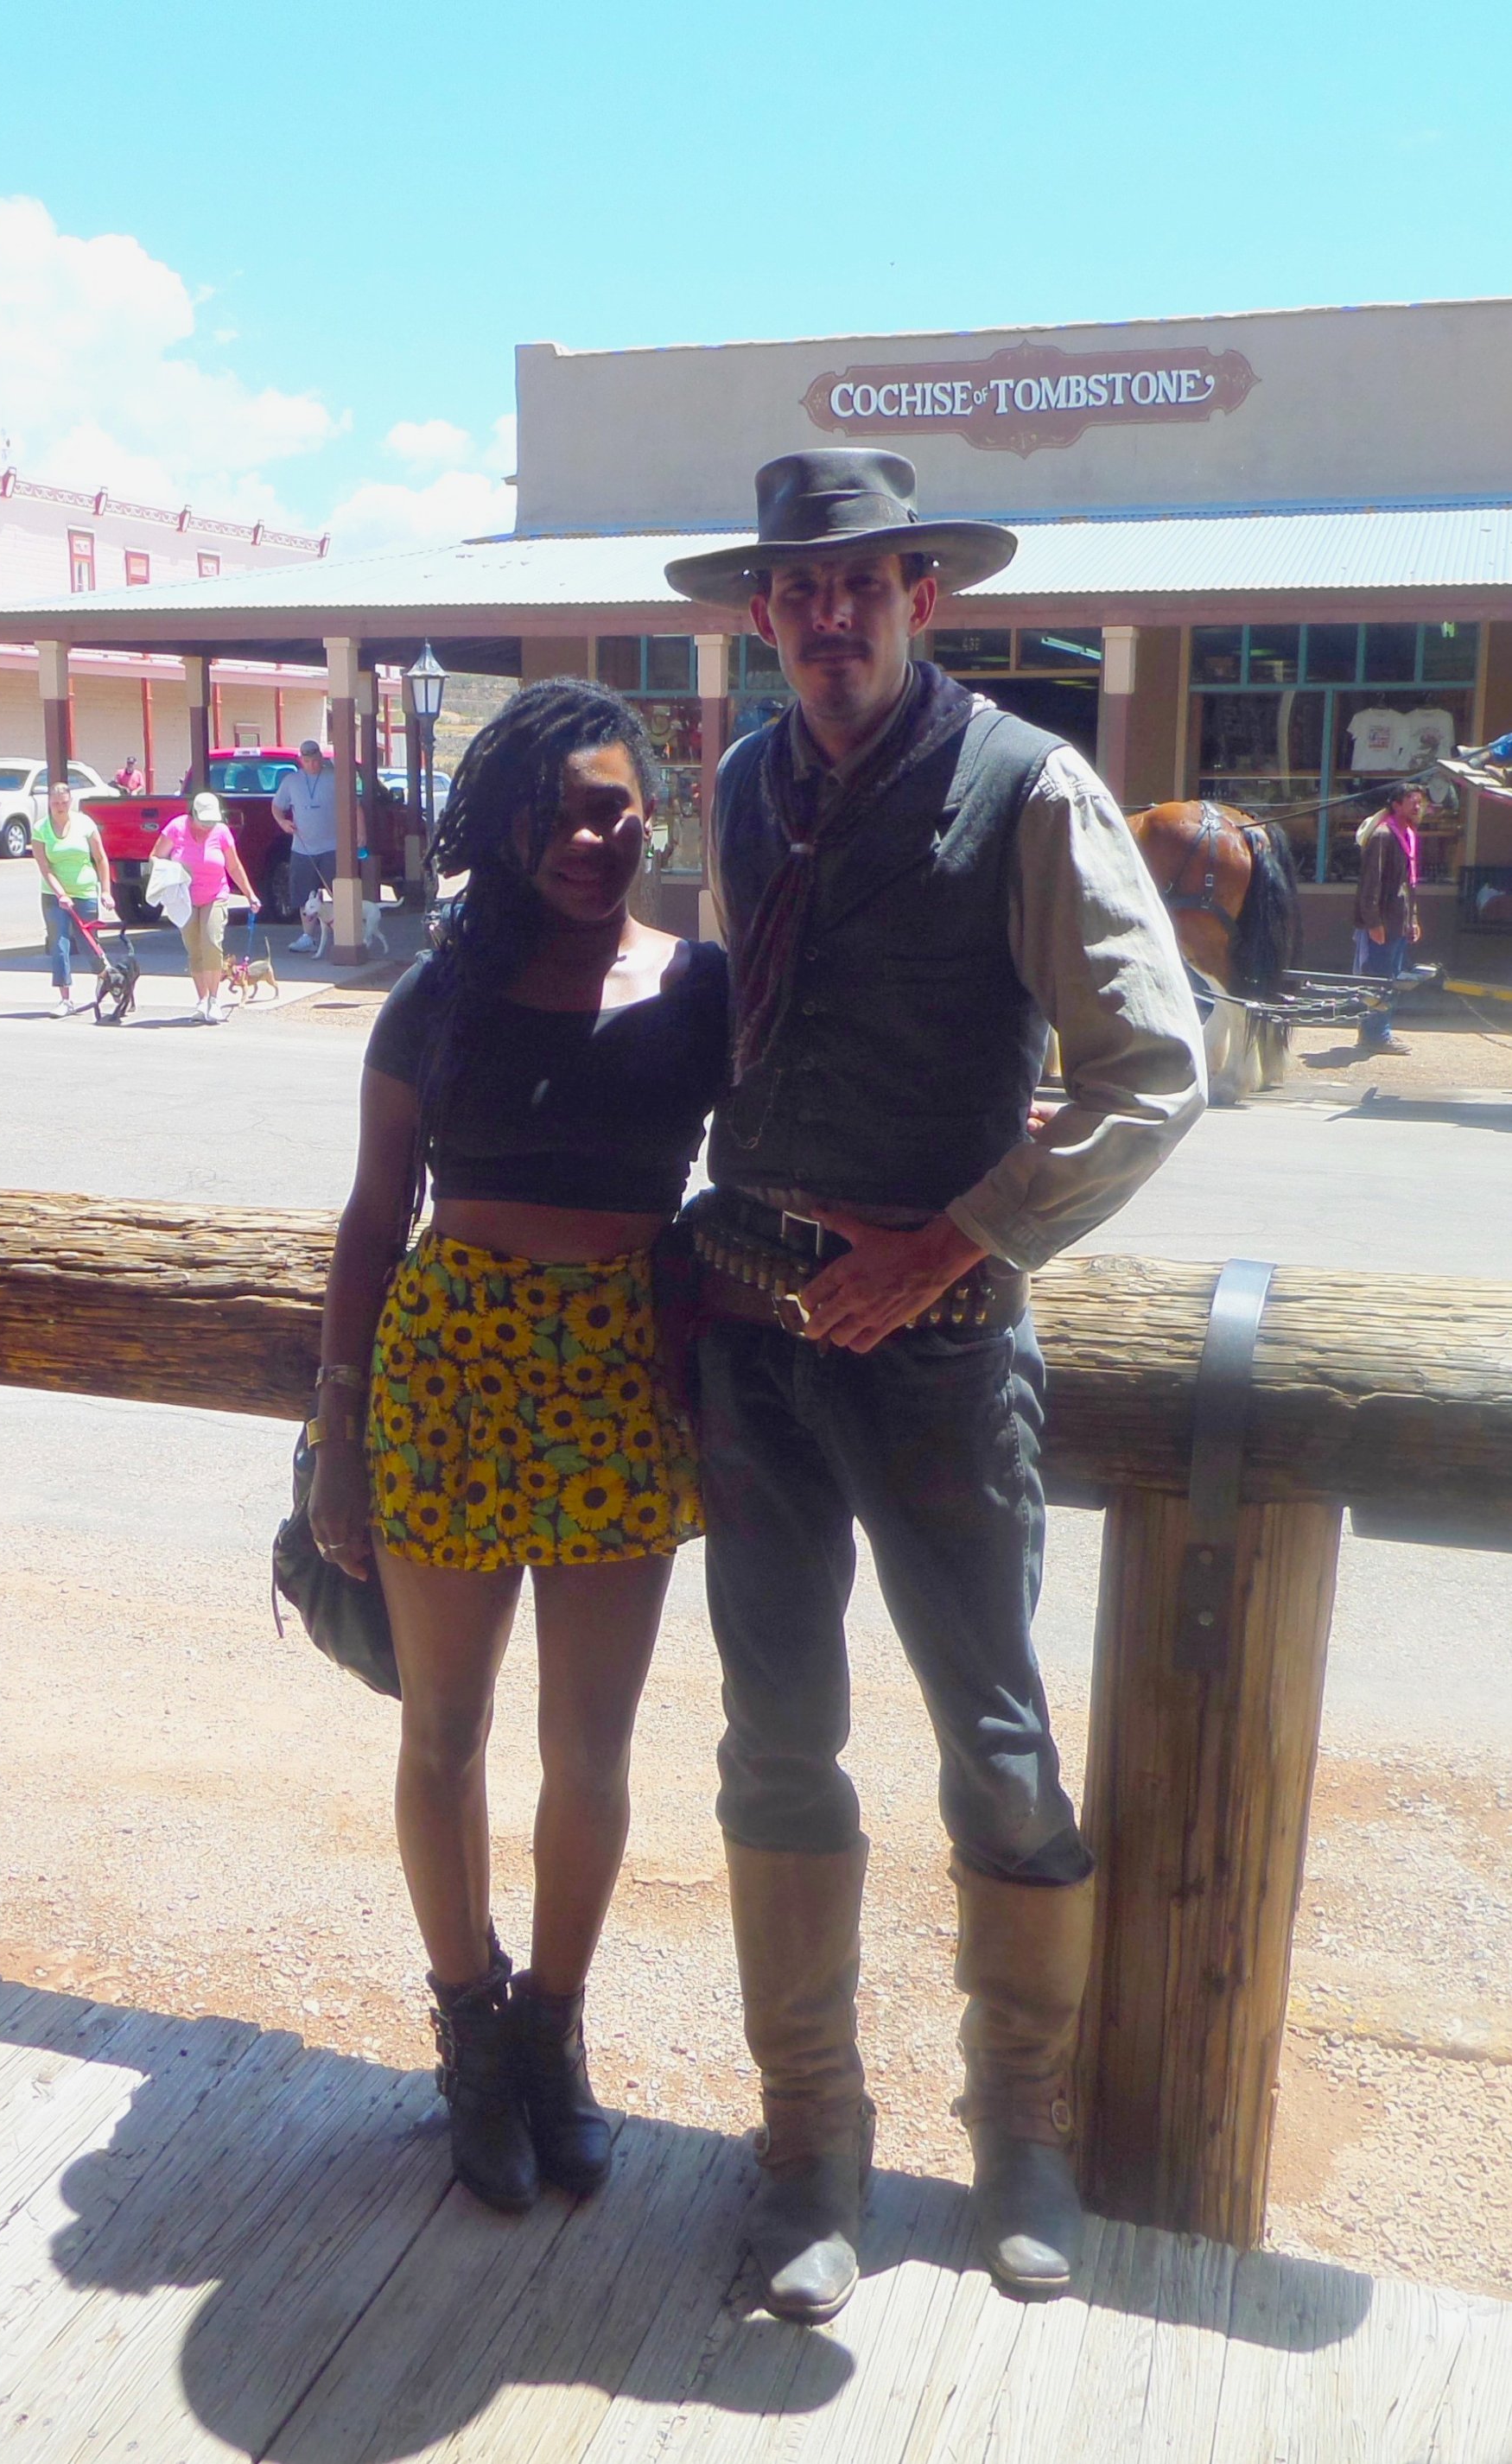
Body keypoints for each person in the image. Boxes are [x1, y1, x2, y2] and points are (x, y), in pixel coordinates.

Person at [660, 450, 1204, 2316]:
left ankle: (1020, 2136)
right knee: (772, 1728)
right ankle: (806, 2142)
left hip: (942, 1340)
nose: (826, 619)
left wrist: (958, 1233)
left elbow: (1154, 1070)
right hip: (752, 1326)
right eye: (793, 593)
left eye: (858, 585)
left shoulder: (1029, 785)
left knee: (991, 1734)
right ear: (760, 613)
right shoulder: (741, 782)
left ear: (918, 593)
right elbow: (724, 1005)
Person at [310, 679, 727, 2213]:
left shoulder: (702, 988)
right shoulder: (440, 994)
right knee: (443, 1731)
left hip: (623, 1378)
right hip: (453, 1374)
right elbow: (370, 1219)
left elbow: (777, 1164)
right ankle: (471, 2025)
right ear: (505, 826)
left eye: (614, 807)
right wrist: (334, 1440)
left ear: (650, 815)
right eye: (558, 810)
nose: (588, 835)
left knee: (592, 1747)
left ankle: (554, 2027)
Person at [150, 789, 257, 1023]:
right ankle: (201, 1000)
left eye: (211, 822)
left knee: (211, 942)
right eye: (203, 822)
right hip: (183, 898)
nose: (208, 826)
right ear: (193, 815)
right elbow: (156, 857)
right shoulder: (176, 828)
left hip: (215, 894)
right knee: (194, 948)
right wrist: (172, 874)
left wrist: (250, 895)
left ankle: (214, 1000)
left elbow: (234, 866)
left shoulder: (221, 833)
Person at [33, 779, 116, 1017]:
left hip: (84, 891)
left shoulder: (84, 823)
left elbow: (100, 859)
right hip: (54, 894)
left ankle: (107, 979)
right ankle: (65, 998)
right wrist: (61, 894)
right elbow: (44, 866)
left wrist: (106, 891)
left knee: (88, 943)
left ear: (70, 802)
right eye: (55, 802)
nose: (60, 807)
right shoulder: (41, 828)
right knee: (59, 944)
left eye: (64, 802)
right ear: (49, 803)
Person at [1354, 781, 1425, 1055]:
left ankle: (1376, 1031)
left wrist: (1413, 919)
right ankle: (1376, 1034)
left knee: (1391, 978)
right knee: (1379, 979)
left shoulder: (1408, 833)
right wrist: (1373, 922)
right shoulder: (1384, 836)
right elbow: (1371, 884)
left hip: (1399, 921)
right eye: (1411, 801)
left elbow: (1409, 883)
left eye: (1420, 801)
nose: (1418, 806)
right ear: (1396, 805)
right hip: (1383, 922)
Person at [272, 740, 338, 951]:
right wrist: (283, 822)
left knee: (338, 891)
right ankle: (308, 937)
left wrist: (361, 831)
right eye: (307, 761)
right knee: (304, 895)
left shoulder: (334, 778)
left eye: (315, 760)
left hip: (331, 846)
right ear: (301, 760)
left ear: (321, 758)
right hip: (302, 847)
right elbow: (277, 806)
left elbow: (354, 806)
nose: (312, 765)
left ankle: (344, 934)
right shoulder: (291, 781)